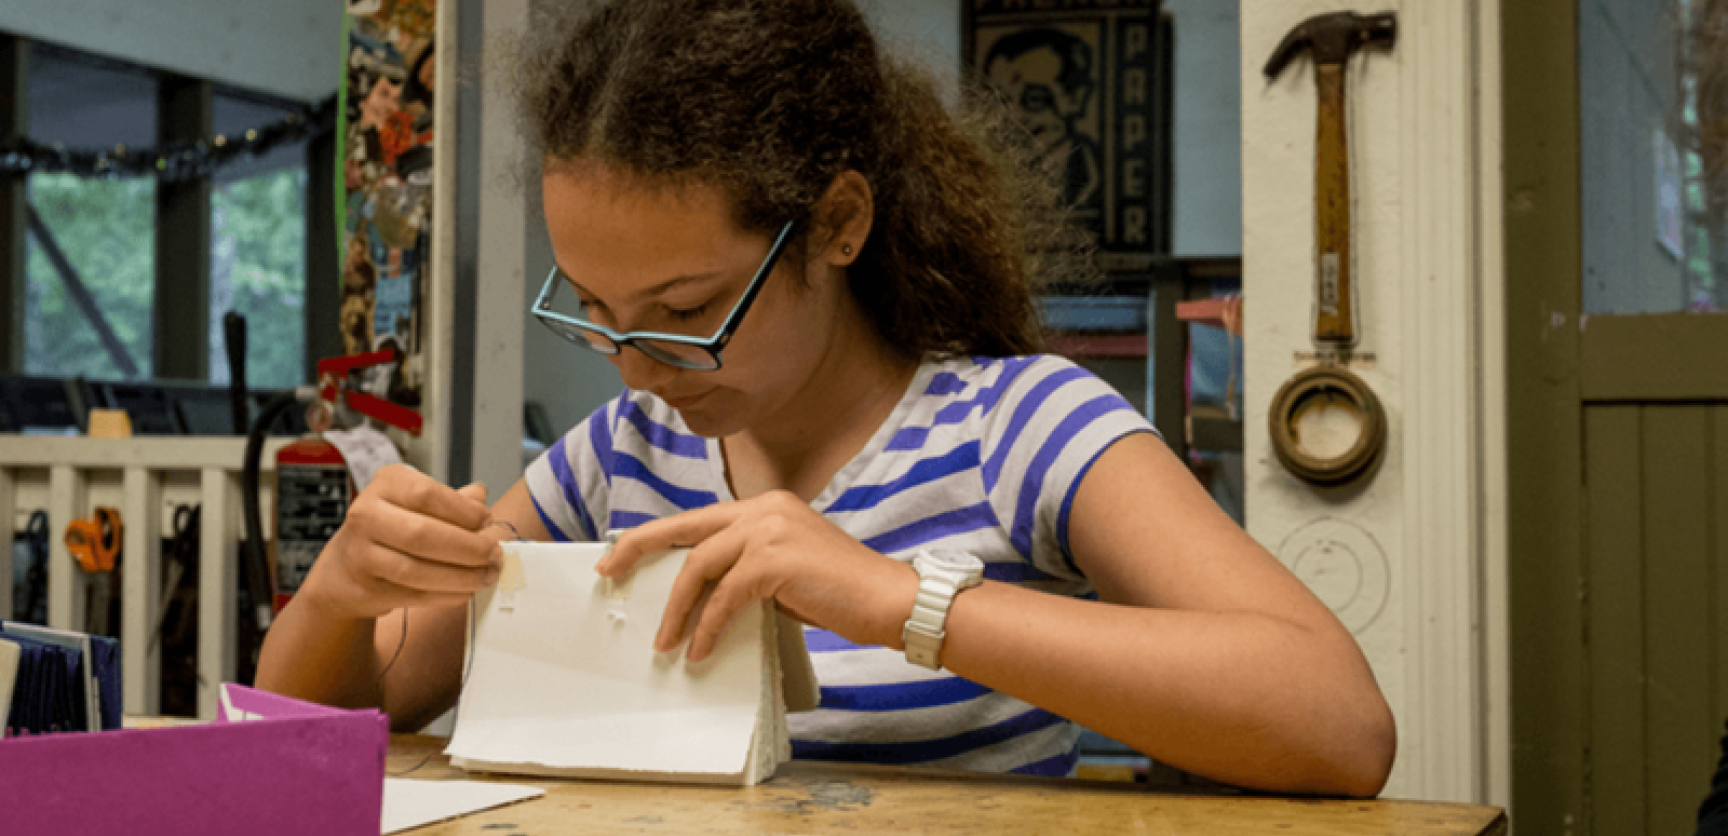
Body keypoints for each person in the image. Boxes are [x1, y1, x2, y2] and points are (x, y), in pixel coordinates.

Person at [257, 0, 1395, 797]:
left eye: (687, 308)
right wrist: (342, 595)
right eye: (595, 308)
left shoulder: (1021, 427)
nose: (636, 366)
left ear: (840, 224)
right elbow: (336, 729)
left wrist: (893, 596)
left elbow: (1338, 726)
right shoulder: (622, 452)